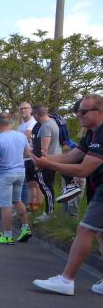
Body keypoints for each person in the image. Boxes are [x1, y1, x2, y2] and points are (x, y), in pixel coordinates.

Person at [32, 94, 103, 296]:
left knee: (85, 229)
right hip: (98, 186)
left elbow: (83, 169)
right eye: (78, 111)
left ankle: (66, 280)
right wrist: (44, 159)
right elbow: (72, 156)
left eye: (83, 112)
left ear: (99, 112)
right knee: (100, 232)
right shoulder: (92, 133)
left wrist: (49, 164)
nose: (78, 115)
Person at [0, 114, 31, 245]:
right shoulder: (21, 136)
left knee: (6, 206)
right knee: (17, 201)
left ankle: (7, 236)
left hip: (5, 174)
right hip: (20, 172)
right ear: (10, 123)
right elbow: (28, 153)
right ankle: (25, 228)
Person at [31, 105, 61, 220]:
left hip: (46, 162)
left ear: (36, 115)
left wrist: (38, 163)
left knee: (46, 187)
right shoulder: (53, 122)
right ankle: (49, 212)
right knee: (47, 186)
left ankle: (49, 214)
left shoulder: (46, 126)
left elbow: (44, 149)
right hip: (53, 159)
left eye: (33, 115)